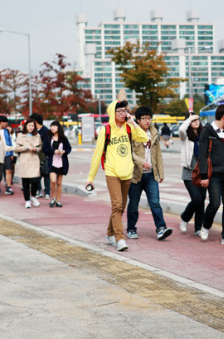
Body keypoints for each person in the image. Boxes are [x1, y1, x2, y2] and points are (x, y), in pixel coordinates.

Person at [85, 100, 148, 252]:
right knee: (117, 205)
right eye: (119, 111)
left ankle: (109, 233)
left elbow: (144, 138)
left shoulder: (128, 128)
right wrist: (90, 178)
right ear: (113, 112)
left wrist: (133, 123)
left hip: (127, 173)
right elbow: (97, 154)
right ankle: (119, 238)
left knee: (119, 207)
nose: (122, 114)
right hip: (112, 172)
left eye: (124, 111)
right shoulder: (105, 131)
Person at [126, 106, 173, 241]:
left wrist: (160, 172)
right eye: (144, 118)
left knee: (155, 202)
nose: (147, 121)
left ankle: (161, 228)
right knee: (133, 204)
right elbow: (130, 152)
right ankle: (131, 228)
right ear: (138, 120)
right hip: (136, 175)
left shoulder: (154, 133)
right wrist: (141, 162)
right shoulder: (132, 132)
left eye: (149, 118)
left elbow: (158, 154)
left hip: (151, 175)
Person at [198, 103, 224, 245]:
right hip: (213, 175)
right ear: (223, 116)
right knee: (215, 203)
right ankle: (205, 226)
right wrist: (204, 175)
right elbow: (202, 155)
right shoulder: (207, 131)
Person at [178, 113, 206, 236]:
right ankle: (185, 218)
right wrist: (189, 118)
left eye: (197, 120)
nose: (196, 122)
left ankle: (198, 228)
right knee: (197, 199)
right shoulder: (185, 137)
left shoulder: (203, 135)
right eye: (193, 120)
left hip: (202, 173)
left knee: (201, 201)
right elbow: (181, 129)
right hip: (189, 173)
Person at [43, 120, 72, 208]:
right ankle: (53, 198)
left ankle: (58, 200)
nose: (52, 128)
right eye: (51, 126)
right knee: (53, 181)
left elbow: (69, 148)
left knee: (59, 183)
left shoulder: (63, 138)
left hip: (61, 162)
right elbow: (45, 149)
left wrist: (64, 151)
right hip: (52, 162)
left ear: (58, 127)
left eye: (54, 126)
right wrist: (53, 151)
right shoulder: (48, 137)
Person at [15, 119, 43, 209]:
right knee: (26, 182)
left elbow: (40, 148)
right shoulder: (20, 135)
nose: (31, 127)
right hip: (25, 160)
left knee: (35, 180)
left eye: (32, 126)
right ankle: (27, 200)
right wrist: (26, 147)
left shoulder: (37, 135)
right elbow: (16, 148)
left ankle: (33, 196)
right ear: (25, 126)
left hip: (34, 159)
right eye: (29, 125)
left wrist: (36, 149)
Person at [30, 113, 51, 199]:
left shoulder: (45, 131)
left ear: (35, 122)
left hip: (44, 156)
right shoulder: (32, 131)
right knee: (36, 175)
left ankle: (47, 192)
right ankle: (38, 190)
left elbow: (48, 145)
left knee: (46, 174)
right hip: (34, 156)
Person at [0, 115, 15, 195]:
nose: (6, 124)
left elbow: (9, 141)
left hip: (7, 153)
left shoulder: (6, 131)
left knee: (8, 170)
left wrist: (11, 153)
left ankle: (8, 187)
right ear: (1, 122)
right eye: (5, 123)